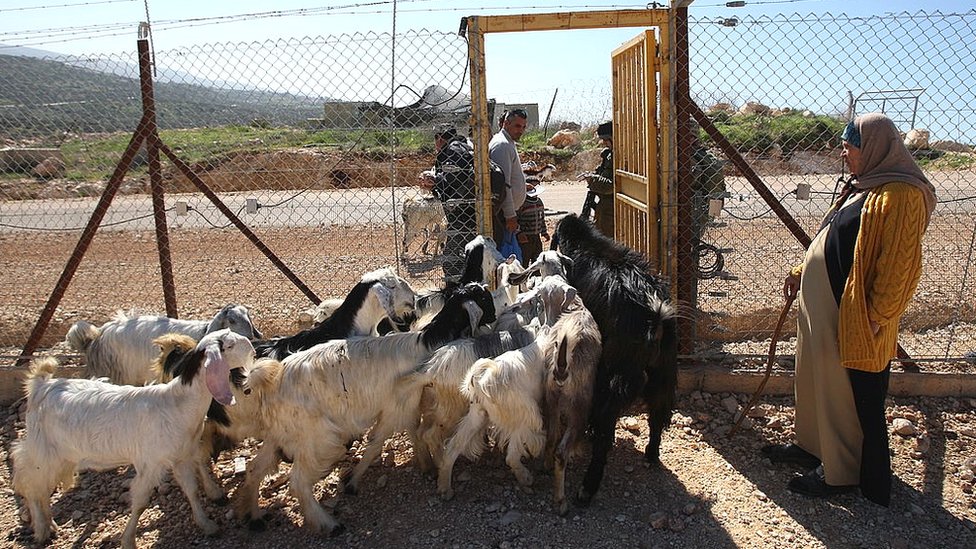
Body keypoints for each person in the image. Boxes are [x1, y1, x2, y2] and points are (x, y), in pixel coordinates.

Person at [763, 113, 937, 507]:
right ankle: (813, 447)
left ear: (875, 147)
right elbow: (832, 237)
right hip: (823, 310)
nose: (844, 150)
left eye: (851, 143)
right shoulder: (863, 186)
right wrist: (799, 270)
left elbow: (899, 265)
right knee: (814, 382)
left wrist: (878, 315)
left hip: (855, 316)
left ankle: (842, 474)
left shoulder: (903, 196)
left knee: (844, 392)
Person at [418, 123, 476, 283]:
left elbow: (454, 178)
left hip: (461, 211)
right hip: (470, 209)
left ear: (440, 138)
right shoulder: (464, 148)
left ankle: (455, 289)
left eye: (435, 139)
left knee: (451, 259)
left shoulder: (451, 151)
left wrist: (434, 181)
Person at [489, 109, 529, 244]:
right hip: (502, 214)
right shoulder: (502, 145)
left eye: (523, 127)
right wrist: (510, 215)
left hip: (505, 212)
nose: (521, 130)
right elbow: (503, 184)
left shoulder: (508, 142)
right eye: (517, 126)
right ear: (506, 123)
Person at [577, 121, 615, 237]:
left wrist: (592, 179)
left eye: (606, 139)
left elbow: (611, 185)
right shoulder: (609, 154)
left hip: (611, 210)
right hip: (605, 207)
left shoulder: (618, 156)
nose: (604, 143)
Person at [516, 180, 549, 264]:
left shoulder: (539, 202)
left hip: (536, 236)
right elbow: (516, 220)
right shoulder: (521, 203)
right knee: (524, 260)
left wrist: (544, 232)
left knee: (538, 260)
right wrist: (519, 233)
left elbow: (541, 218)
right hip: (526, 237)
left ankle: (536, 275)